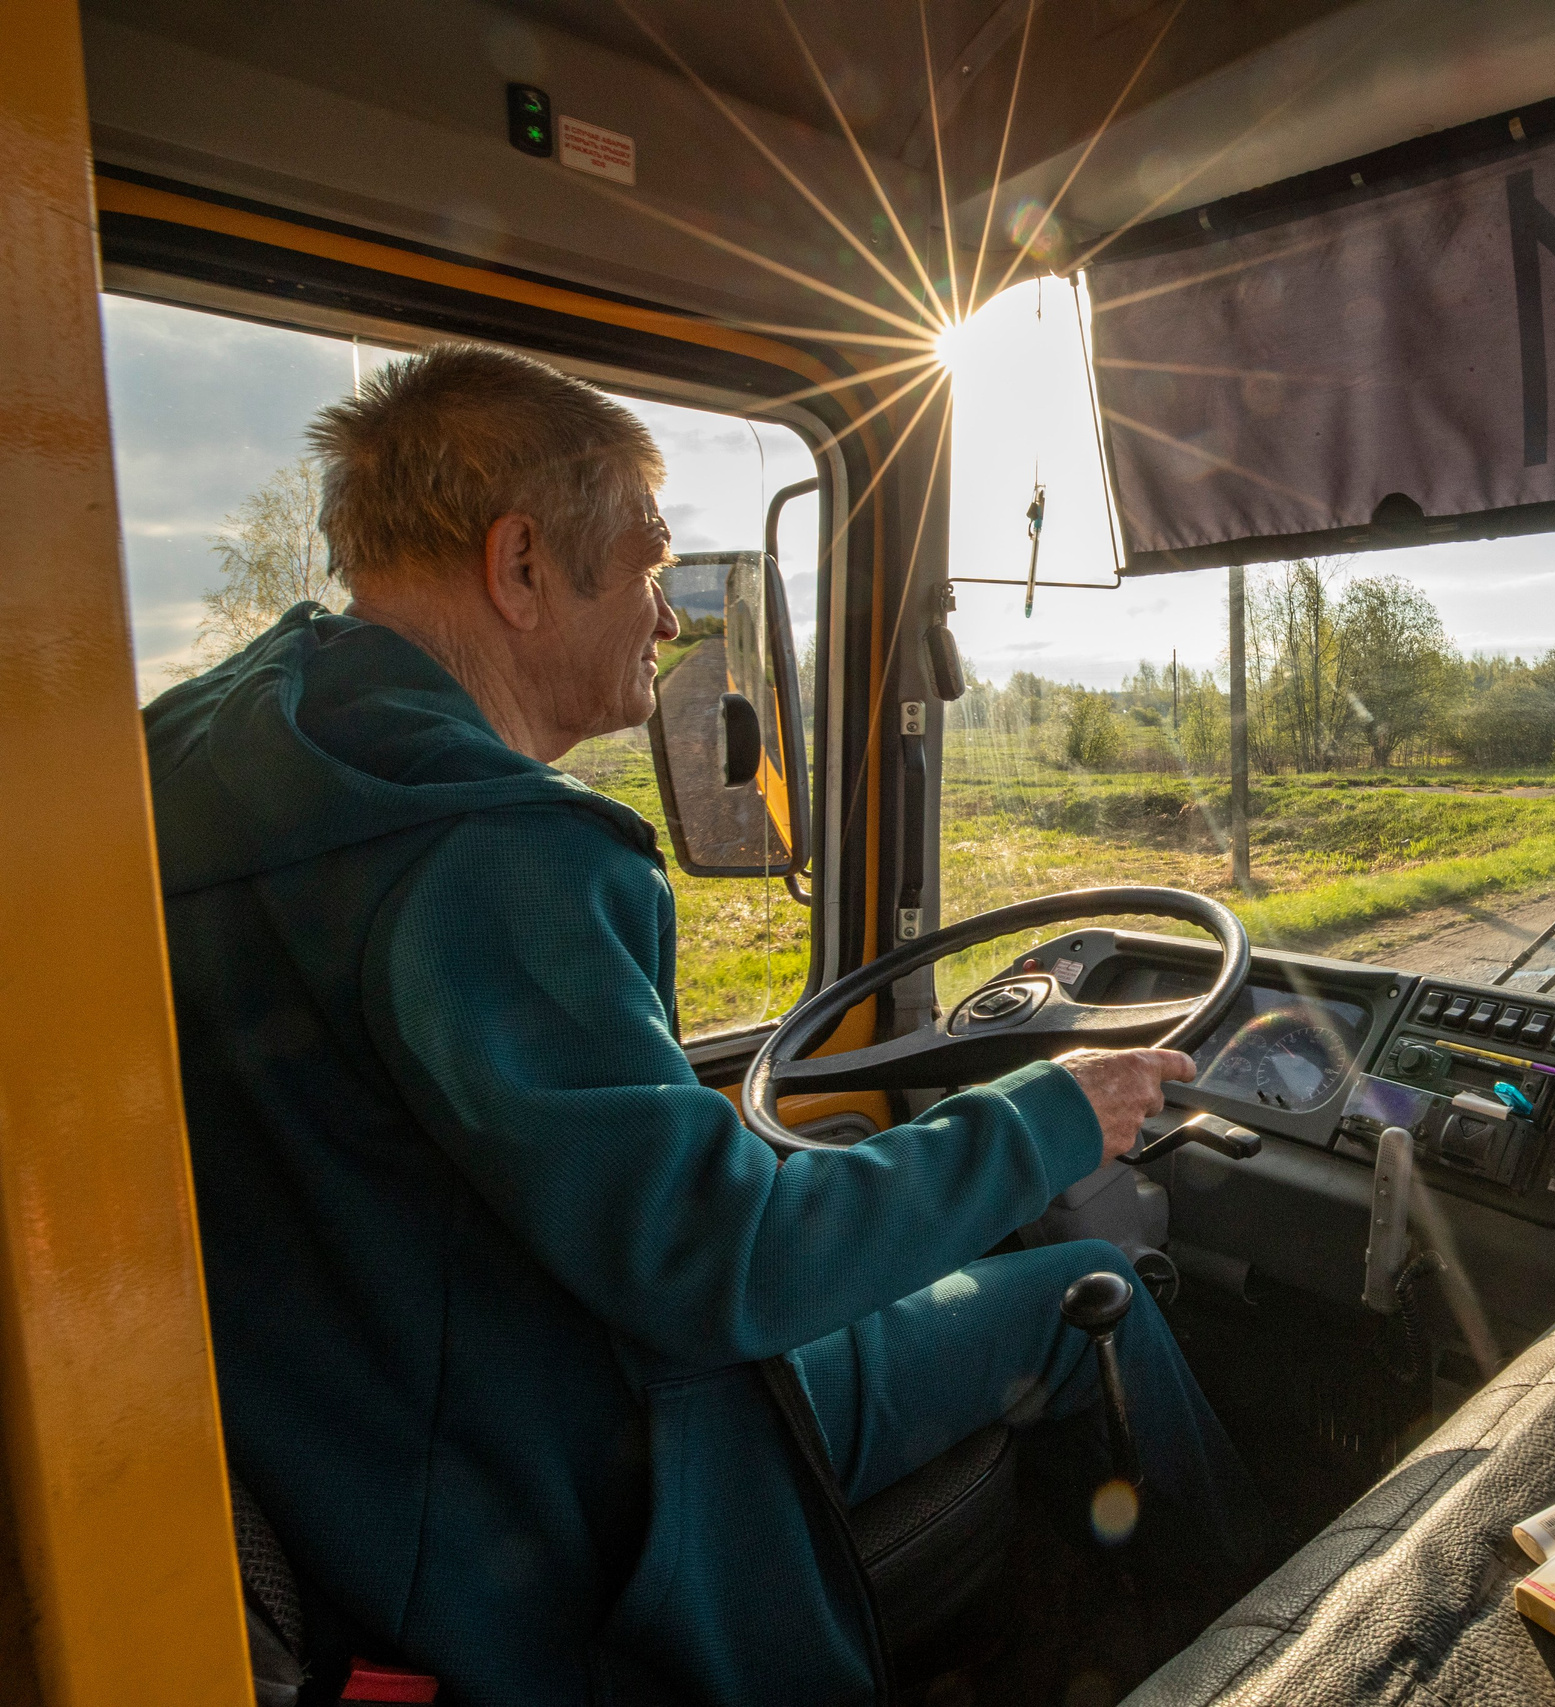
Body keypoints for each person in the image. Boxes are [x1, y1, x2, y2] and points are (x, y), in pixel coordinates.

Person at [145, 343, 1263, 1706]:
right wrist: (1052, 1114)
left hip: (372, 1465)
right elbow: (727, 1267)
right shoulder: (493, 858)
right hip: (578, 1490)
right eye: (650, 565)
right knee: (1087, 1298)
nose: (670, 620)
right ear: (521, 566)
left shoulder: (199, 762)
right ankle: (1273, 1656)